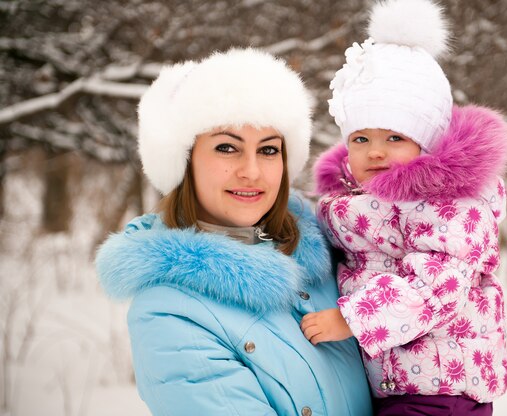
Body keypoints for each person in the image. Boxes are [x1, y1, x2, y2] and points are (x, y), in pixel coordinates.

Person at [95, 48, 373, 416]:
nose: (252, 172)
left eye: (269, 150)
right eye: (227, 148)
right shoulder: (168, 314)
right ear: (184, 160)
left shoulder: (337, 251)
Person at [299, 0, 507, 415]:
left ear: (426, 141)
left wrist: (353, 319)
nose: (375, 152)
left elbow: (440, 284)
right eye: (361, 139)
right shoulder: (355, 205)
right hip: (399, 384)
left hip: (441, 387)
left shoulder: (447, 204)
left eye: (394, 137)